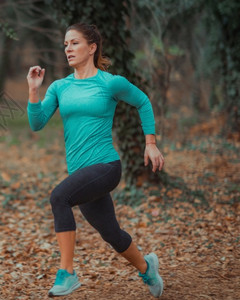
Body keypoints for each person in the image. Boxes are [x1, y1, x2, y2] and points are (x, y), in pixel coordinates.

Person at [26, 23, 165, 297]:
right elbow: (37, 123)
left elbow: (143, 102)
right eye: (65, 44)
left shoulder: (110, 82)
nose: (68, 48)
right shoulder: (59, 87)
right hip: (80, 172)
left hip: (105, 166)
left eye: (74, 43)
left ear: (92, 47)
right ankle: (147, 268)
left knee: (59, 197)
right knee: (112, 234)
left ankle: (67, 273)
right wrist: (33, 90)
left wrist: (151, 143)